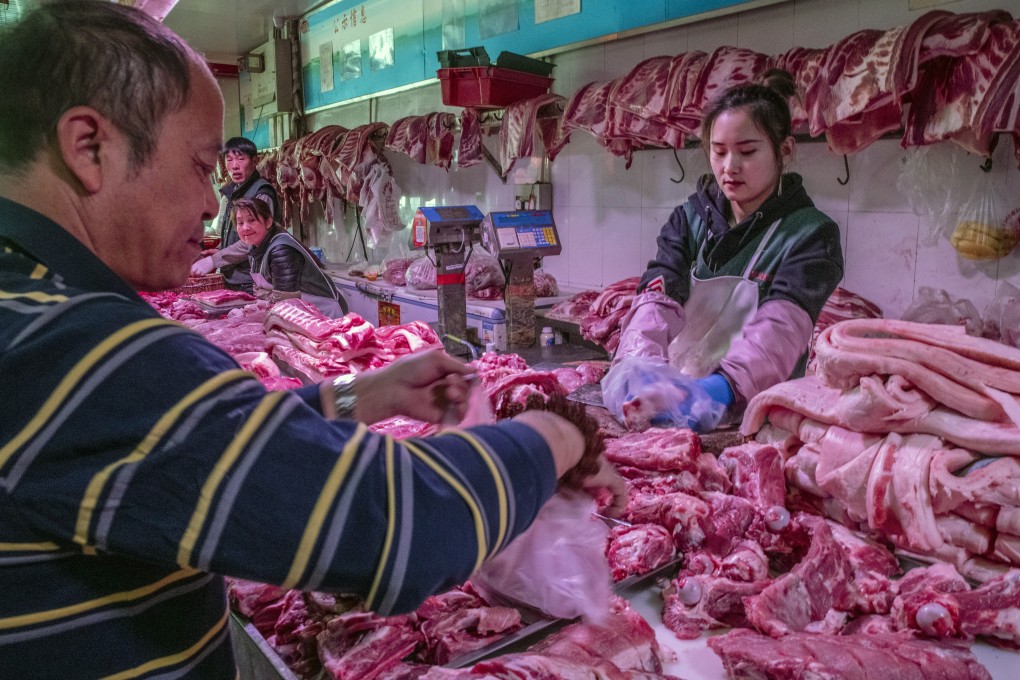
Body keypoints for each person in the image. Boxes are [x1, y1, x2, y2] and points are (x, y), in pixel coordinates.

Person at [0, 3, 624, 678]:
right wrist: (558, 435)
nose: (213, 206)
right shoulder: (72, 348)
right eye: (201, 164)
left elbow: (190, 444)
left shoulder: (32, 315)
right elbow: (399, 524)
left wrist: (360, 393)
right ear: (89, 146)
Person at [613, 69, 844, 430]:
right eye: (718, 152)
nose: (729, 167)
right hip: (669, 410)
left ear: (785, 150)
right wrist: (640, 368)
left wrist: (717, 391)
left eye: (747, 152)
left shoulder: (811, 235)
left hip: (758, 422)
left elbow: (782, 329)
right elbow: (656, 298)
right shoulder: (689, 218)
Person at [197, 196, 348, 316]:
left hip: (323, 314)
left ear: (268, 222)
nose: (245, 227)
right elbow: (260, 292)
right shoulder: (254, 246)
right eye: (240, 222)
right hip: (301, 313)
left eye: (251, 220)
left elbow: (285, 301)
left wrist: (266, 298)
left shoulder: (280, 249)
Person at [191, 136, 281, 292]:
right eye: (229, 160)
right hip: (233, 279)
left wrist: (213, 261)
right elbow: (235, 234)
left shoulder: (261, 193)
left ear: (255, 160)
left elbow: (254, 240)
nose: (234, 166)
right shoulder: (232, 192)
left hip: (253, 282)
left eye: (241, 159)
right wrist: (221, 249)